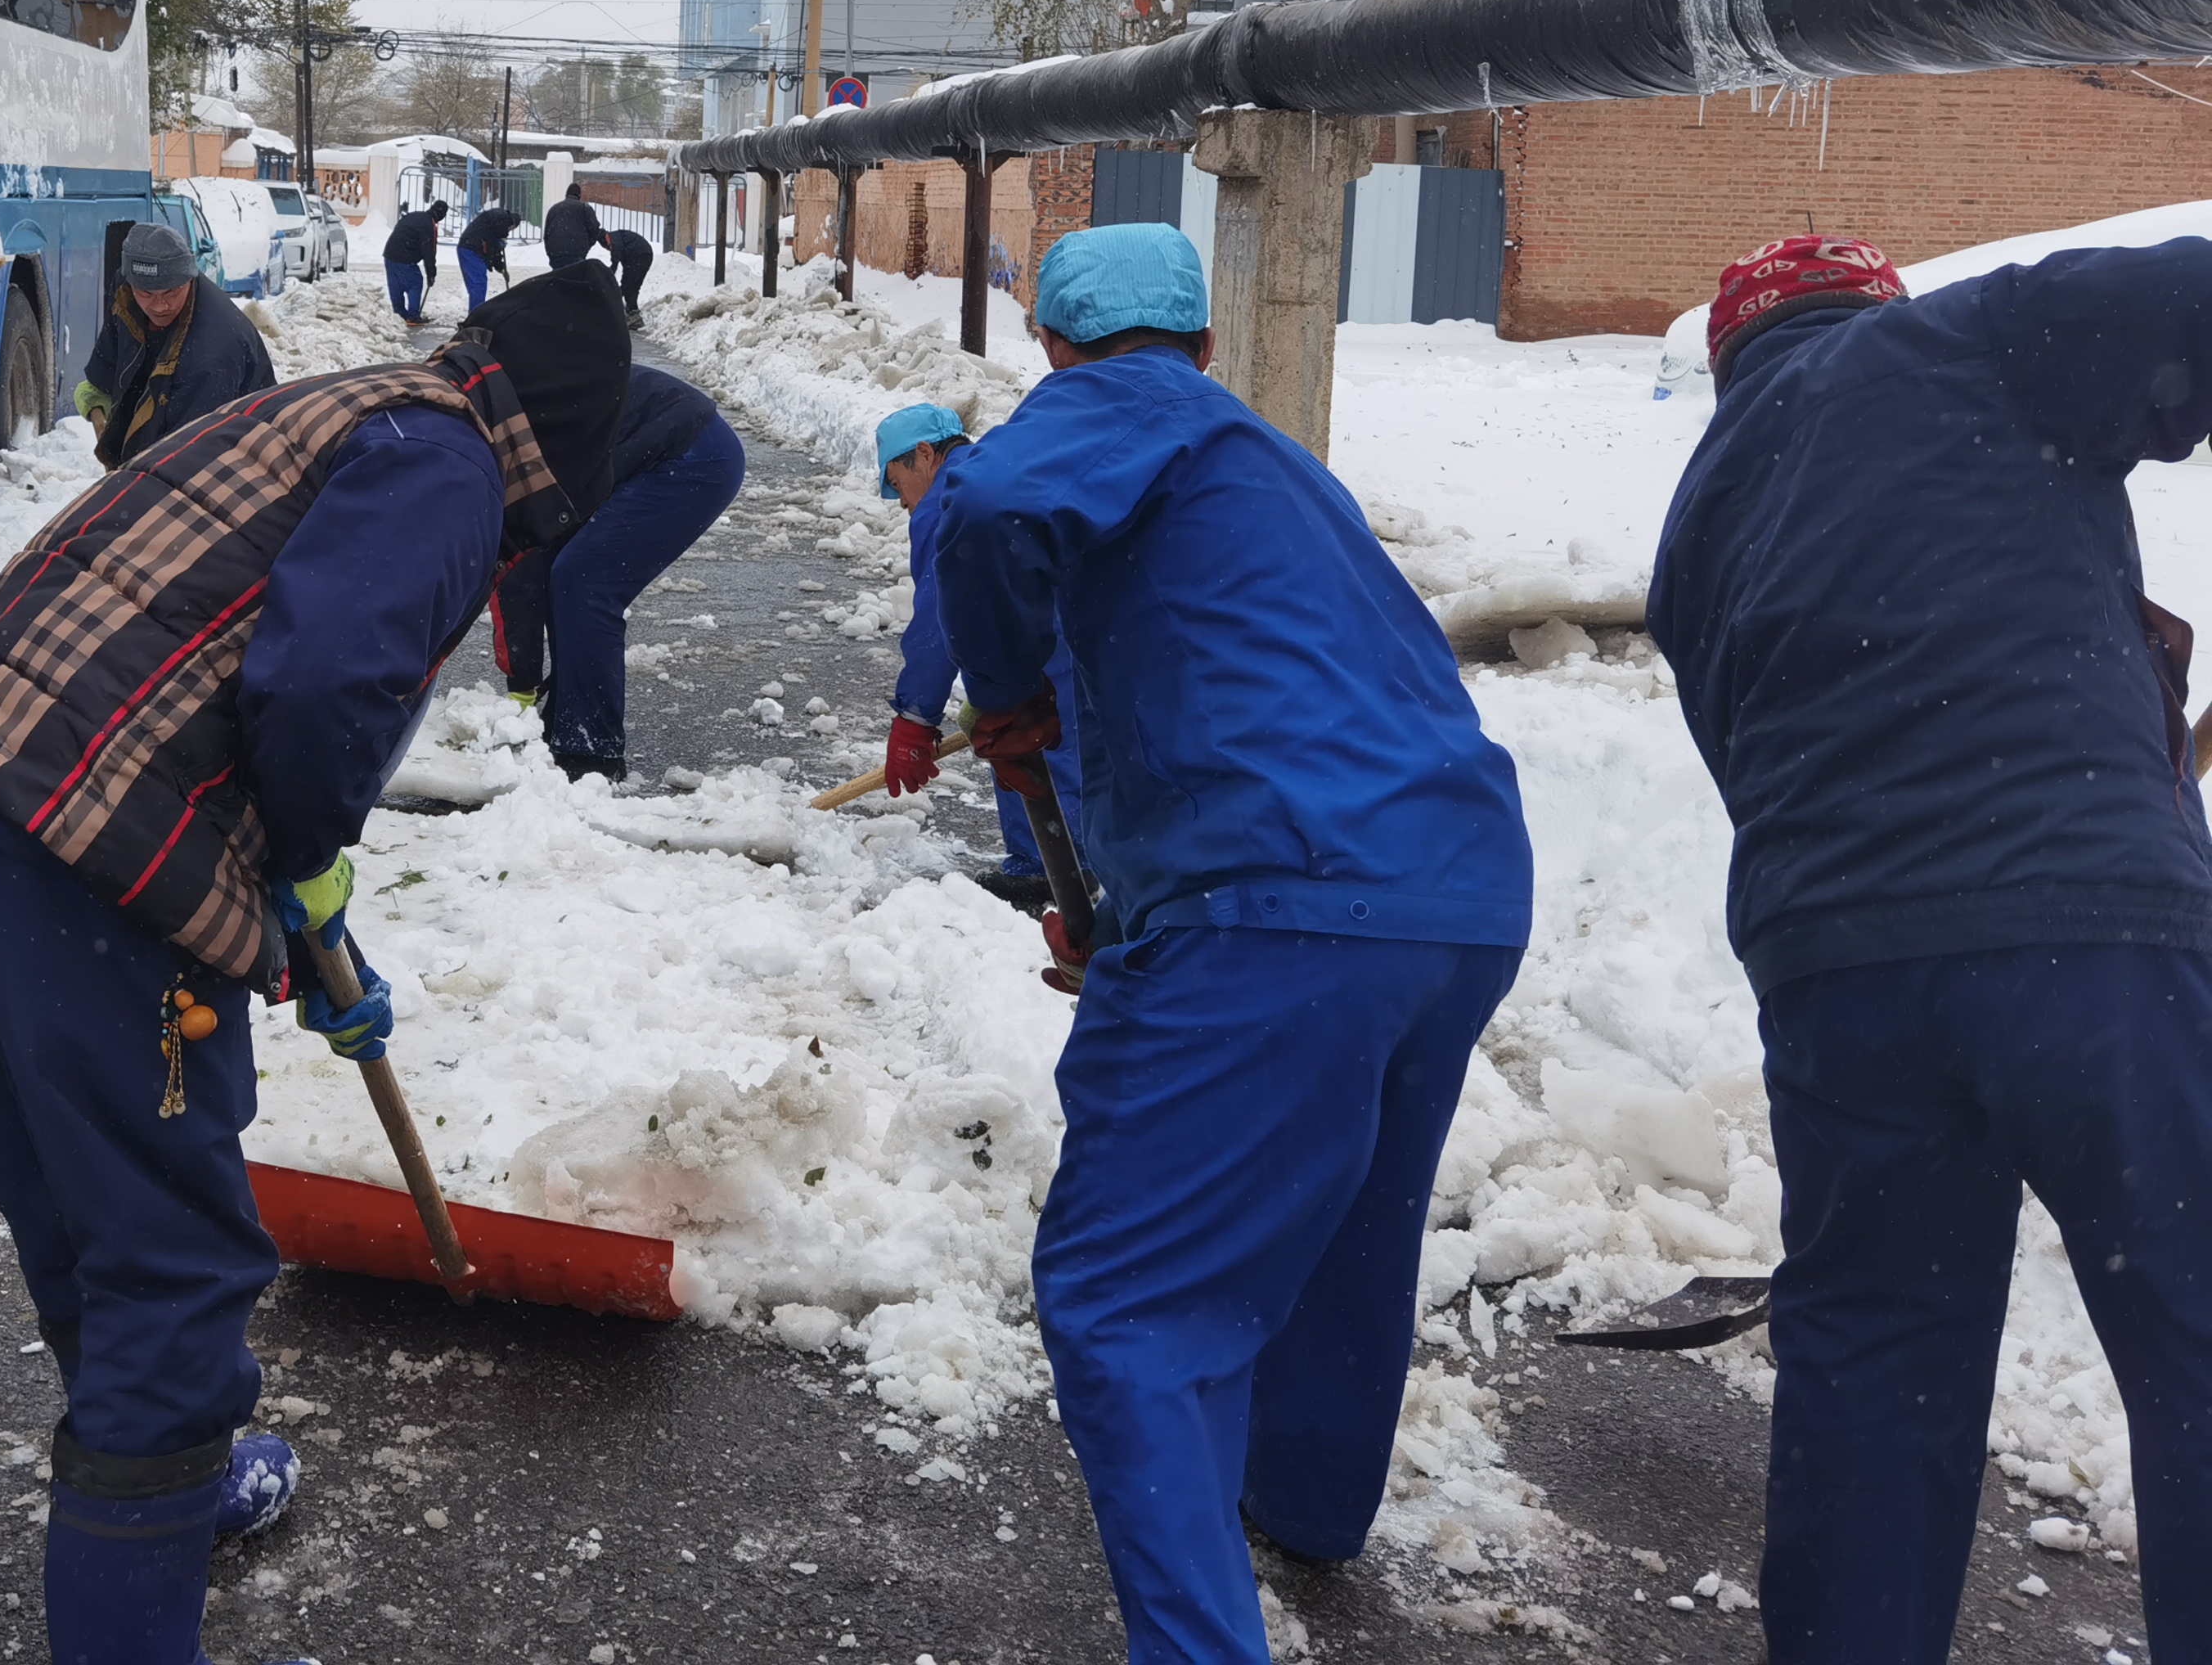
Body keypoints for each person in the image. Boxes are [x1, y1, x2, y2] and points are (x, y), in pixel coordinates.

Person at [0, 332, 602, 1665]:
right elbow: (321, 687)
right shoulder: (449, 461)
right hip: (92, 834)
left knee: (86, 1199)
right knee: (169, 1257)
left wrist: (308, 927)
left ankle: (171, 1475)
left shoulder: (360, 407)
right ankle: (141, 1570)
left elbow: (244, 649)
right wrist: (306, 856)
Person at [932, 222, 1531, 1661]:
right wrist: (1145, 921)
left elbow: (979, 504)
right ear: (1208, 342)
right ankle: (1309, 1502)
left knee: (1127, 1304)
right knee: (1346, 1225)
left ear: (1053, 348)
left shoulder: (1116, 409)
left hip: (1285, 898)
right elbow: (1253, 697)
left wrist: (1003, 686)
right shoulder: (1272, 471)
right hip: (1455, 890)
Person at [1648, 233, 2212, 1661]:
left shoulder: (1700, 521)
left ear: (1729, 363)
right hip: (2082, 932)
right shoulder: (1962, 339)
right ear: (1867, 306)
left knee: (1874, 1368)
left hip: (1840, 979)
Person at [874, 401, 1089, 914]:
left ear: (924, 454)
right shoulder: (1000, 467)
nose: (901, 502)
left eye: (897, 484)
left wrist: (915, 717)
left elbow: (941, 614)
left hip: (1041, 640)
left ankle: (1048, 870)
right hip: (1088, 621)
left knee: (1027, 732)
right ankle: (1090, 861)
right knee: (1085, 743)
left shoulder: (947, 502)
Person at [493, 363, 744, 778]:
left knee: (584, 581)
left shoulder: (499, 439)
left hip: (693, 455)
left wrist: (522, 684)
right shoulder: (489, 417)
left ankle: (591, 753)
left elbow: (516, 571)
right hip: (645, 446)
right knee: (562, 566)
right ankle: (564, 722)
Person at [461, 200, 634, 517]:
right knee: (574, 290)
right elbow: (593, 228)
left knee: (562, 287)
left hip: (557, 255)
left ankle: (566, 316)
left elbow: (544, 232)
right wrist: (594, 242)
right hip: (574, 254)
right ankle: (573, 317)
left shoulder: (554, 210)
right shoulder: (609, 352)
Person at [76, 218, 276, 469]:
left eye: (171, 292)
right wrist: (100, 382)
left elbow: (187, 457)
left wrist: (135, 481)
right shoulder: (126, 292)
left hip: (234, 463)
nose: (160, 306)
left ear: (189, 278)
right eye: (147, 294)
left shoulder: (213, 352)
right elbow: (119, 338)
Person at [380, 196, 450, 326]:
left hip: (390, 254)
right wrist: (431, 273)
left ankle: (399, 314)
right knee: (415, 283)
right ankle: (413, 316)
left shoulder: (415, 216)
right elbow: (428, 251)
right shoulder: (428, 225)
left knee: (396, 285)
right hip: (404, 258)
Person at [456, 195, 523, 317]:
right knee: (478, 284)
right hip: (471, 250)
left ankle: (476, 314)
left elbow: (493, 249)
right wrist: (501, 240)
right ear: (513, 224)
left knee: (479, 284)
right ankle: (476, 317)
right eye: (511, 228)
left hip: (471, 249)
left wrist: (501, 268)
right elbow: (493, 246)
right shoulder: (502, 218)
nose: (509, 231)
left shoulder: (497, 223)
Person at [599, 221, 657, 327]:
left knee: (630, 286)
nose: (609, 249)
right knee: (630, 285)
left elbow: (615, 262)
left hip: (639, 256)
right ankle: (631, 311)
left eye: (608, 248)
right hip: (643, 255)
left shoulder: (614, 240)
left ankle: (634, 315)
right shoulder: (618, 237)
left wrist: (607, 280)